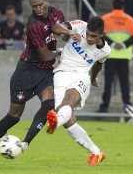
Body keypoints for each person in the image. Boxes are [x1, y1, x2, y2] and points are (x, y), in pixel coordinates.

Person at [0, 0, 79, 163]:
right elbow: (45, 55)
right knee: (14, 116)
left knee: (48, 104)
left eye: (41, 5)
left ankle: (25, 142)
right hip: (26, 71)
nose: (38, 9)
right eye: (34, 6)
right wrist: (63, 52)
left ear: (47, 2)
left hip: (45, 72)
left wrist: (65, 33)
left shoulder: (57, 13)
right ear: (31, 7)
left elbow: (61, 32)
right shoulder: (33, 25)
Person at [46, 16, 111, 166]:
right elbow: (55, 27)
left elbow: (98, 65)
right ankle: (97, 152)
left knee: (69, 100)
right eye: (87, 34)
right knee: (68, 120)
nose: (88, 38)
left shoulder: (106, 50)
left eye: (93, 36)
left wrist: (93, 78)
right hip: (61, 73)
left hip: (81, 76)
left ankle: (55, 122)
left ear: (102, 34)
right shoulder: (80, 25)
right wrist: (69, 32)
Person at [97, 0, 133, 113]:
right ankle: (127, 105)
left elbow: (100, 34)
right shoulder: (129, 19)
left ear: (113, 6)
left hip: (110, 54)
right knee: (124, 82)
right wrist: (124, 44)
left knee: (108, 82)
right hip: (123, 55)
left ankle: (105, 106)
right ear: (123, 6)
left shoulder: (105, 18)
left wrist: (113, 43)